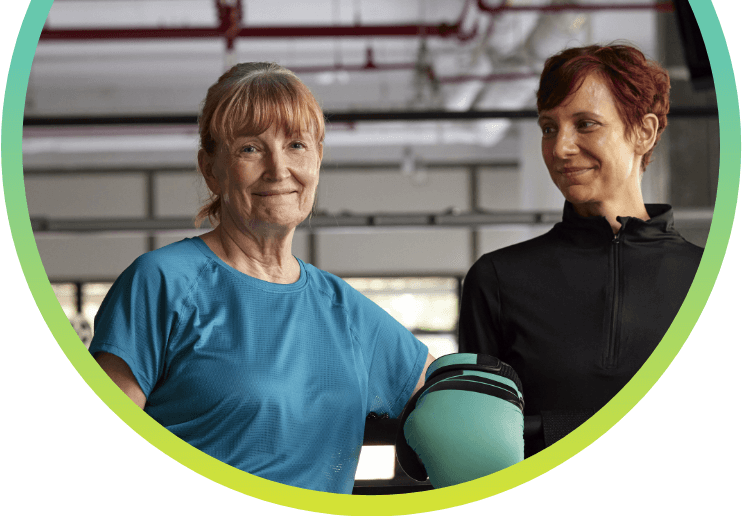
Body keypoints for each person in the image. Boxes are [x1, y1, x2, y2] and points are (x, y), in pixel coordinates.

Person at [88, 62, 435, 494]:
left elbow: (445, 389)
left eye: (295, 145)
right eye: (250, 149)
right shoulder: (162, 283)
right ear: (211, 169)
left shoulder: (343, 309)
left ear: (318, 160)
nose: (278, 169)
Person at [457, 44, 704, 456]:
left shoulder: (703, 276)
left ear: (642, 133)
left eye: (585, 124)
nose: (560, 149)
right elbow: (478, 441)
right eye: (549, 128)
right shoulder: (498, 280)